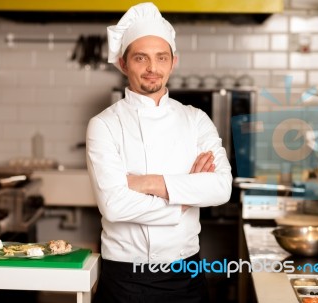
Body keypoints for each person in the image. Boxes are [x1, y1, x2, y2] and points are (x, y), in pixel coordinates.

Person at [86, 2, 232, 302]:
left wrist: (145, 183)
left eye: (161, 57)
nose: (153, 68)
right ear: (124, 64)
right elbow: (114, 206)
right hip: (125, 275)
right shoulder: (104, 125)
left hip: (186, 272)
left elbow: (220, 187)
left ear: (173, 62)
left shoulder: (195, 119)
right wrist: (182, 199)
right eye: (141, 58)